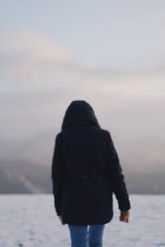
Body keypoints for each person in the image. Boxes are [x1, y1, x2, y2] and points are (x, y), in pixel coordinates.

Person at [52, 100, 131, 247]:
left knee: (78, 244)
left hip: (73, 204)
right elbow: (115, 174)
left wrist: (59, 209)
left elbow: (57, 178)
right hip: (99, 202)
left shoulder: (62, 139)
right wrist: (124, 206)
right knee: (96, 243)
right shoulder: (103, 137)